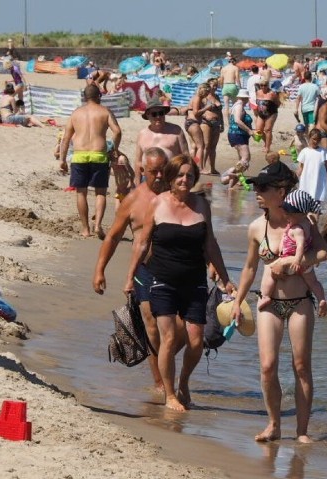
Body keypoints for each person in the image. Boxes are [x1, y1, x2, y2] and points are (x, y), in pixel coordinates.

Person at [124, 154, 235, 411]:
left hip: (193, 280)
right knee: (170, 337)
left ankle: (184, 382)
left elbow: (210, 243)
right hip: (162, 279)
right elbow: (142, 242)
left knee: (196, 341)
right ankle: (170, 395)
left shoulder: (201, 205)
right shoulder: (158, 203)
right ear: (171, 178)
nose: (185, 180)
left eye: (189, 175)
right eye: (180, 175)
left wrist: (225, 277)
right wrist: (130, 276)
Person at [230, 161, 327, 443]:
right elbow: (249, 268)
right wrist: (238, 301)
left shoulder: (303, 223)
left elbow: (323, 252)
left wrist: (296, 263)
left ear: (282, 191)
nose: (256, 191)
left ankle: (302, 431)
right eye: (255, 186)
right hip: (268, 302)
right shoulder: (256, 227)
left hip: (300, 301)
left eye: (263, 187)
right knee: (268, 366)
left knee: (301, 366)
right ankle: (274, 424)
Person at [94, 148, 169, 393]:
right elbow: (113, 237)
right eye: (153, 172)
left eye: (162, 170)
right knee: (151, 326)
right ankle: (160, 383)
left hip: (174, 270)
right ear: (142, 171)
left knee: (180, 331)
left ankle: (169, 370)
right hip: (144, 270)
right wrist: (100, 270)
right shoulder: (133, 200)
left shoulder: (176, 194)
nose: (159, 176)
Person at [58, 84, 122, 239]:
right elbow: (117, 131)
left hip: (79, 155)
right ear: (99, 96)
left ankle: (85, 229)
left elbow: (66, 138)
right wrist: (113, 149)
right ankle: (98, 225)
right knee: (100, 192)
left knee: (81, 192)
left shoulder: (76, 113)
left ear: (84, 97)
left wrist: (62, 159)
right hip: (99, 155)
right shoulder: (105, 111)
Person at [257, 190, 327, 317]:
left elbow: (300, 246)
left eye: (289, 213)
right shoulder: (307, 223)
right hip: (305, 266)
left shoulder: (297, 228)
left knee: (270, 274)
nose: (286, 215)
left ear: (301, 213)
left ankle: (266, 296)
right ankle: (321, 298)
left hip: (292, 262)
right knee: (313, 282)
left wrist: (295, 260)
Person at [133, 97, 188, 184]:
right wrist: (137, 182)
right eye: (154, 114)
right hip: (148, 178)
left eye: (161, 113)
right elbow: (138, 162)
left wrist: (186, 178)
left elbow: (186, 156)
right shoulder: (142, 134)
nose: (158, 117)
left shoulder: (176, 131)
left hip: (170, 177)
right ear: (148, 115)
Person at [296, 129, 327, 203]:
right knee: (305, 200)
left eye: (318, 140)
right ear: (309, 137)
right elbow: (300, 168)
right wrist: (295, 180)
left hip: (319, 181)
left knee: (317, 202)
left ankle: (316, 214)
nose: (316, 141)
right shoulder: (305, 151)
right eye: (314, 139)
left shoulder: (323, 152)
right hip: (306, 180)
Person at [227, 89, 255, 171]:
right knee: (246, 158)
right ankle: (231, 175)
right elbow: (237, 120)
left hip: (237, 134)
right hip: (238, 134)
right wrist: (249, 131)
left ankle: (239, 178)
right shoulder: (239, 106)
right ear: (245, 98)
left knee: (241, 157)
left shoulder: (236, 105)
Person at [200, 79, 223, 176]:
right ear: (208, 85)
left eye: (216, 85)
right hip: (206, 122)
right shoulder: (203, 97)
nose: (215, 87)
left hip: (217, 123)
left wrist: (222, 122)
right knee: (206, 145)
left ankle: (212, 168)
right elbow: (197, 110)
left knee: (213, 147)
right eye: (213, 85)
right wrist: (204, 115)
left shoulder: (217, 96)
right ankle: (202, 167)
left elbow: (219, 112)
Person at [184, 84, 209, 170]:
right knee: (200, 146)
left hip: (189, 123)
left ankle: (192, 164)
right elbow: (195, 112)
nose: (207, 95)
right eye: (207, 92)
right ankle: (199, 167)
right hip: (193, 123)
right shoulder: (197, 98)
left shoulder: (195, 98)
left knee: (194, 146)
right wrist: (206, 108)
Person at [255, 78, 281, 154]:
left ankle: (267, 147)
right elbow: (257, 103)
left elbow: (278, 103)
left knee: (267, 130)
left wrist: (271, 108)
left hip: (271, 113)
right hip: (261, 113)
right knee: (258, 130)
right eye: (261, 85)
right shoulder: (258, 92)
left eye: (265, 85)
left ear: (268, 85)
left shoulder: (272, 93)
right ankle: (267, 142)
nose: (263, 87)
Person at [219, 57, 241, 122]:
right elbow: (237, 78)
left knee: (226, 106)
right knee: (234, 104)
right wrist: (240, 87)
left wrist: (221, 87)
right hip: (232, 85)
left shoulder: (223, 68)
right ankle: (234, 120)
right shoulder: (235, 68)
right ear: (234, 62)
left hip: (225, 86)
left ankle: (228, 121)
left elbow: (221, 79)